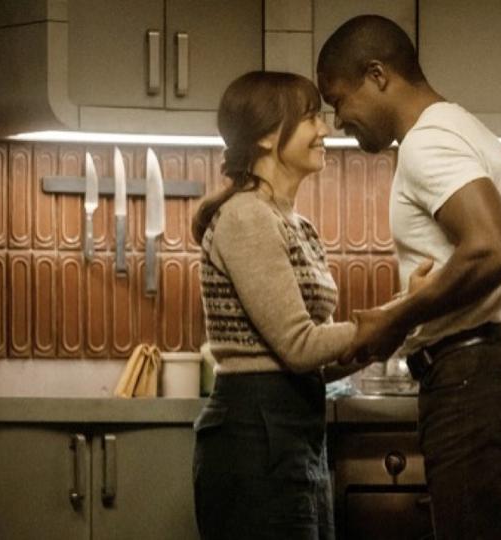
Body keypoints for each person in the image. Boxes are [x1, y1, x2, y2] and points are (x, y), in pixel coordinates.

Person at [317, 15, 501, 540]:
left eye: (338, 101)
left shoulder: (426, 144)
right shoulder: (472, 133)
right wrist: (435, 301)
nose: (338, 121)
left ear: (377, 75)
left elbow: (498, 249)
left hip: (473, 380)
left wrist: (398, 317)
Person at [190, 70, 358, 540]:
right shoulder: (246, 217)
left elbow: (313, 357)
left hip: (291, 430)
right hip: (253, 433)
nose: (325, 130)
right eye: (310, 118)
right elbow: (299, 346)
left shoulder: (296, 225)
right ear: (266, 136)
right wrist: (388, 321)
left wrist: (398, 327)